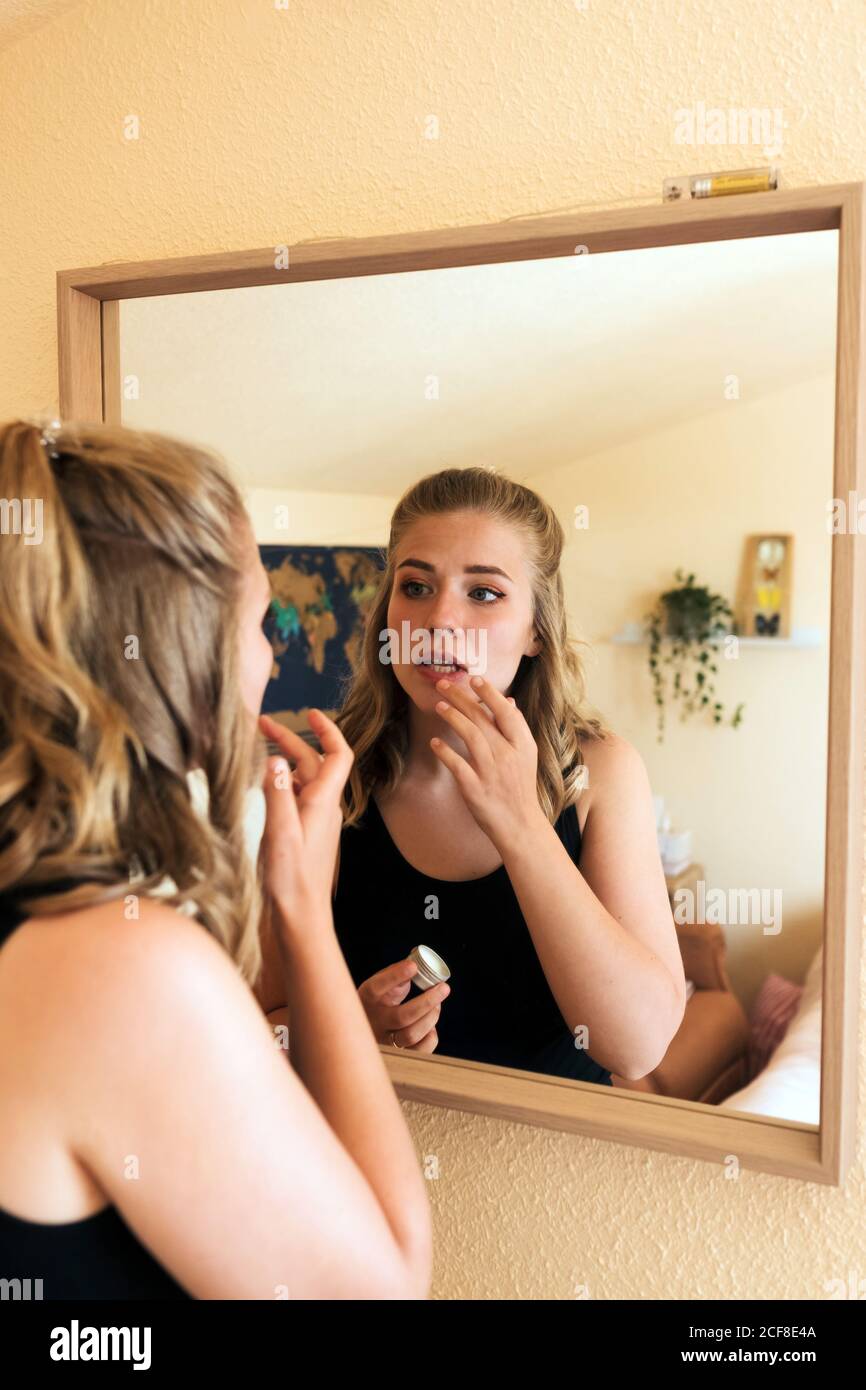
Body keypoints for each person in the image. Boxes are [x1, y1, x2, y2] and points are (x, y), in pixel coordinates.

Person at [0, 417, 432, 1300]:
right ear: (180, 644)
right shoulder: (114, 963)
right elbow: (383, 1291)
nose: (273, 655)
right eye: (260, 618)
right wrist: (305, 915)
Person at [326, 467, 686, 1082]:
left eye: (484, 593)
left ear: (537, 632)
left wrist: (519, 820)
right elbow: (268, 1021)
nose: (438, 620)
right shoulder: (333, 779)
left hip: (545, 1166)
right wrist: (352, 1029)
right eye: (415, 586)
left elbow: (637, 1047)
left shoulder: (600, 774)